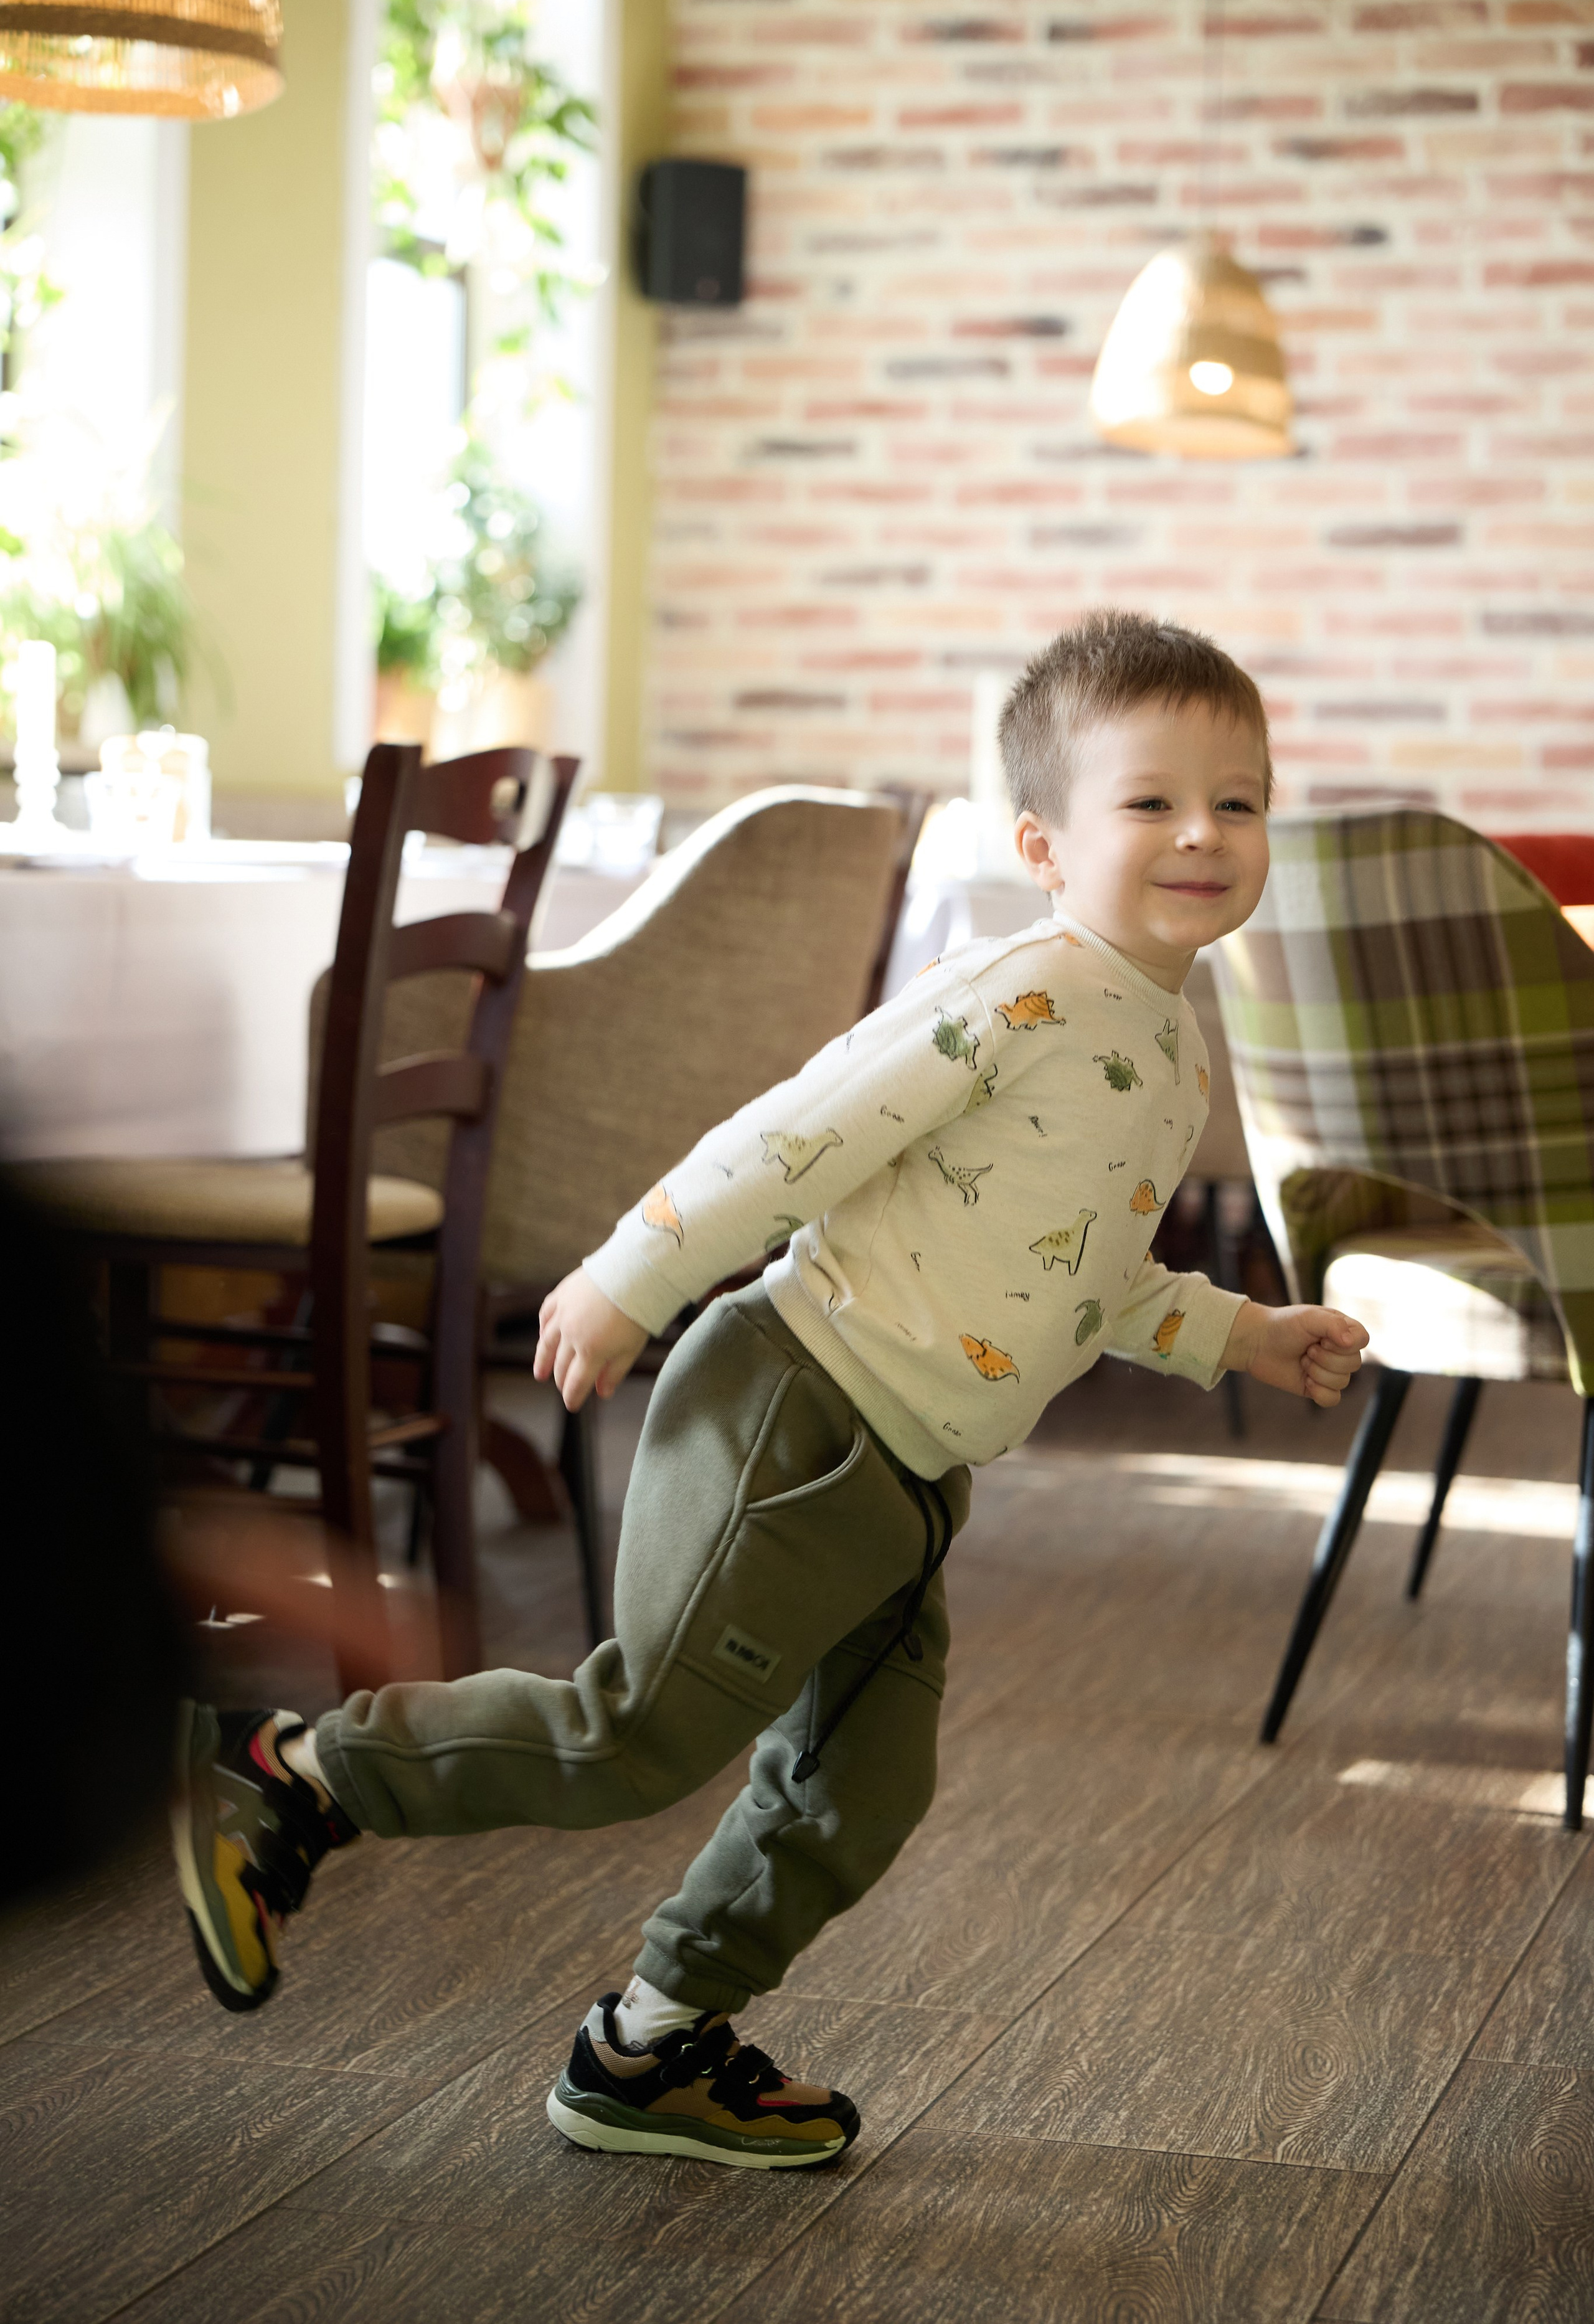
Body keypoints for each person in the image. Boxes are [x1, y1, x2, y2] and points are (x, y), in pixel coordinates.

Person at [172, 609, 1367, 2171]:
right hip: (795, 1412)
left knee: (857, 1789)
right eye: (1150, 800)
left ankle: (649, 2043)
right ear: (1042, 844)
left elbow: (1082, 1267)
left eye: (1237, 800)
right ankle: (295, 1776)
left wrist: (1237, 1333)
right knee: (638, 1734)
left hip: (906, 1476)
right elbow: (799, 1130)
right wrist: (632, 1270)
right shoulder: (1018, 989)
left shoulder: (1162, 1036)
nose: (1202, 832)